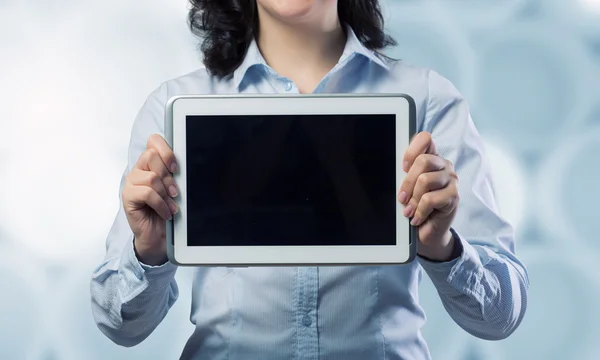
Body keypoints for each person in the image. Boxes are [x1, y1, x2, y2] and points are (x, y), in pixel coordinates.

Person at [90, 0, 530, 359]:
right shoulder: (176, 106)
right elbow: (121, 327)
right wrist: (147, 252)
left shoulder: (428, 100)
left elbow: (499, 318)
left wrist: (443, 247)